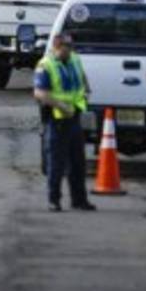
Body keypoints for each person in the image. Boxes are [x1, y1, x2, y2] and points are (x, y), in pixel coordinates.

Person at [34, 32, 96, 212]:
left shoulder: (75, 59)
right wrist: (60, 105)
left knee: (78, 162)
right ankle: (54, 200)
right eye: (64, 48)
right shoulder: (46, 65)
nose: (68, 51)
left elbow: (82, 75)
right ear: (55, 47)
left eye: (70, 47)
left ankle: (79, 200)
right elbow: (40, 93)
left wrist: (87, 90)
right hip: (58, 120)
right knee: (57, 163)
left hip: (74, 117)